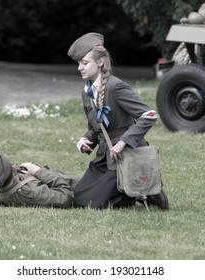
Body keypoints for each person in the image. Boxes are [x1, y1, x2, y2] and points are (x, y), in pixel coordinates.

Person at [67, 32, 169, 210]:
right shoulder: (87, 92)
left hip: (126, 155)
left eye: (84, 63)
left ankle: (149, 190)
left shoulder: (116, 86)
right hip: (104, 157)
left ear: (100, 62)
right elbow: (94, 127)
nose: (79, 68)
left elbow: (149, 115)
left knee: (94, 205)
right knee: (80, 199)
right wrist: (86, 140)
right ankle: (127, 194)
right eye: (78, 63)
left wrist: (123, 143)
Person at [0, 147, 80, 208]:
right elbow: (66, 195)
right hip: (79, 187)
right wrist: (38, 171)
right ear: (12, 169)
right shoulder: (32, 192)